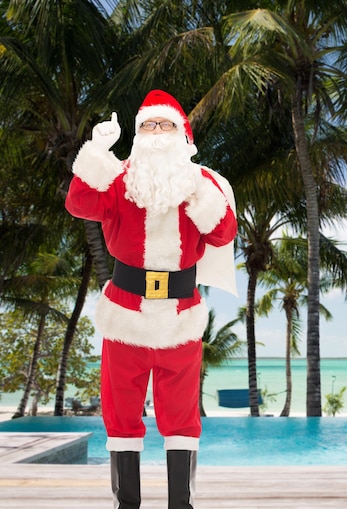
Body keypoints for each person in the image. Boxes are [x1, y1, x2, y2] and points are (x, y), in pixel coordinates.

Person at [65, 90, 238, 509]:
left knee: (181, 416)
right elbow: (78, 203)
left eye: (165, 125)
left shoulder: (206, 183)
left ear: (183, 136)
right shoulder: (119, 178)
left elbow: (222, 234)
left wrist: (196, 191)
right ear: (137, 135)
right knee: (120, 412)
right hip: (125, 313)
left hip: (180, 315)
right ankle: (127, 504)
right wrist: (96, 151)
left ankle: (181, 503)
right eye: (148, 125)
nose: (156, 133)